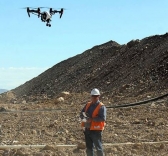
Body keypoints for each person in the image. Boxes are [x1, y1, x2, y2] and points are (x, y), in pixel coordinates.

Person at [80, 88, 107, 156]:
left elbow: (103, 118)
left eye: (96, 96)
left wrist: (92, 119)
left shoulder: (101, 106)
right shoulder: (88, 105)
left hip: (96, 130)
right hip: (88, 129)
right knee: (89, 148)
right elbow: (81, 114)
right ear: (91, 96)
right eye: (93, 96)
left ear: (99, 96)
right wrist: (84, 118)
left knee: (98, 148)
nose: (94, 97)